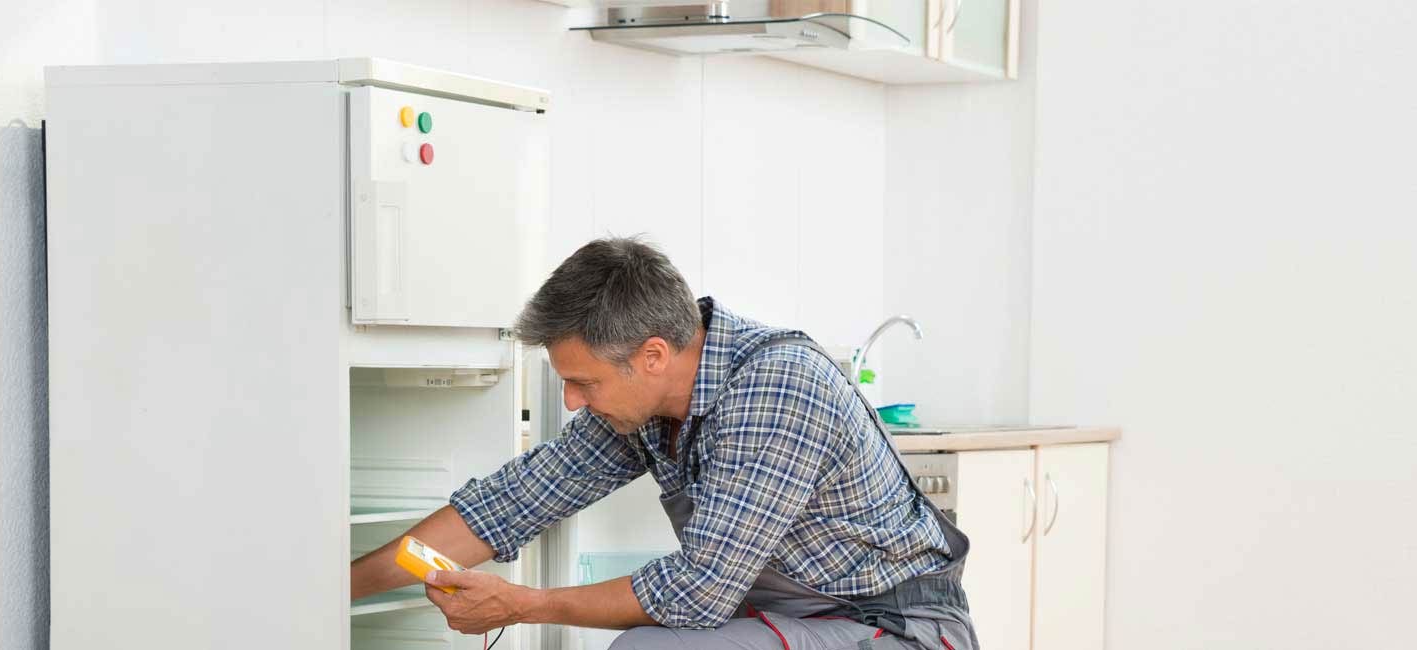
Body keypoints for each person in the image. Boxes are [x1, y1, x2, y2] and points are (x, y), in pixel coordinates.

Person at [348, 237, 977, 649]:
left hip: (894, 628)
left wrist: (523, 605)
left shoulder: (774, 388)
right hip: (792, 620)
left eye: (582, 382)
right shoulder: (645, 401)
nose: (571, 401)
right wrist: (335, 587)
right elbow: (513, 502)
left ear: (652, 355)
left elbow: (698, 591)